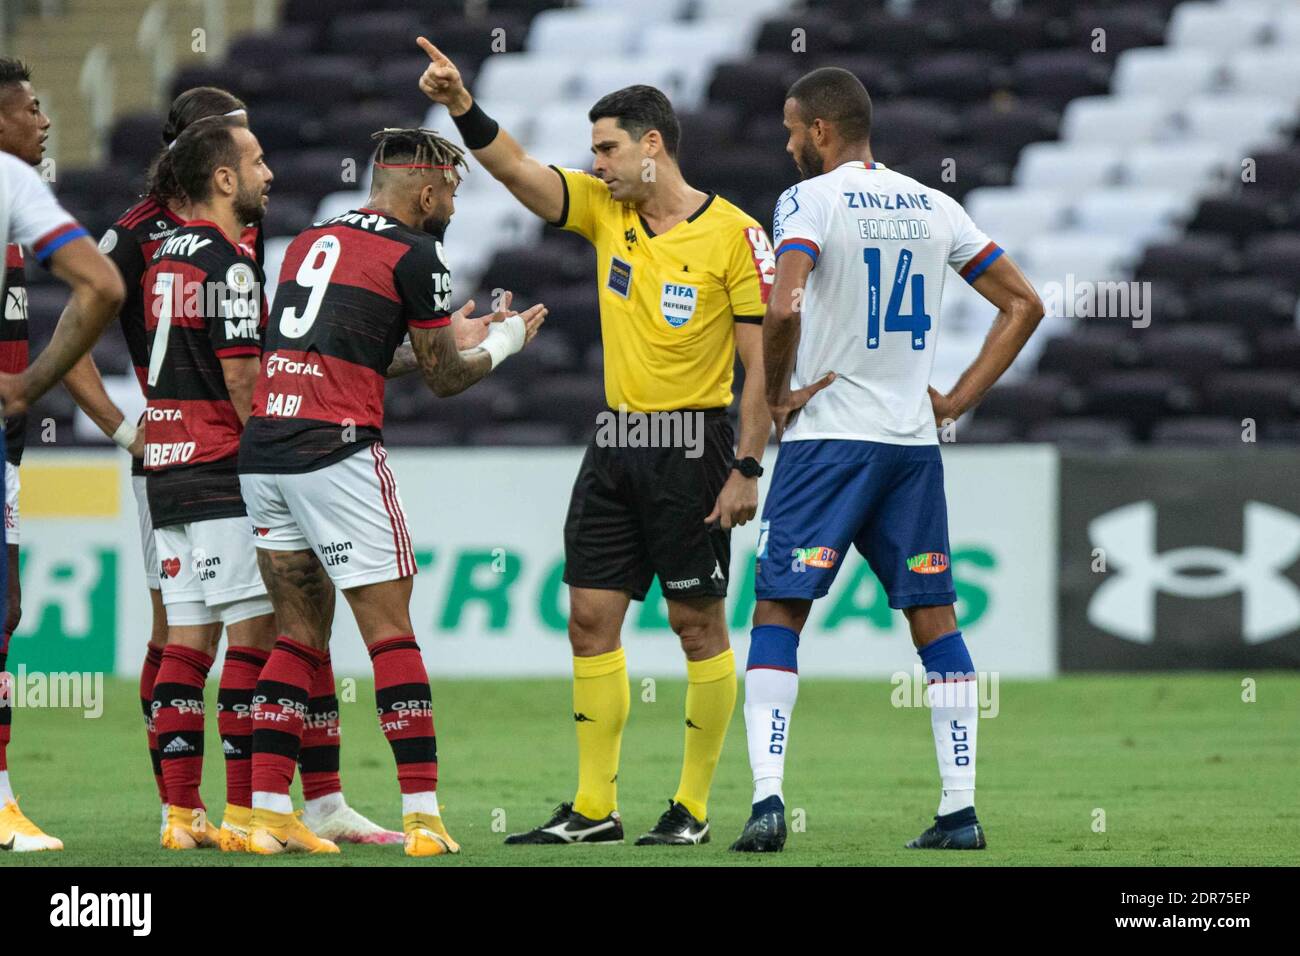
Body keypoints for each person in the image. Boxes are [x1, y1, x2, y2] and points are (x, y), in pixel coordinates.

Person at [417, 35, 776, 846]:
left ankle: (688, 808)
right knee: (588, 620)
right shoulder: (605, 210)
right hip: (614, 442)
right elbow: (518, 173)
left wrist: (749, 466)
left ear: (653, 145)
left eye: (609, 148)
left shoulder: (734, 237)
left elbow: (761, 369)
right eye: (593, 151)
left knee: (697, 626)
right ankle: (593, 808)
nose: (598, 163)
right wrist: (461, 106)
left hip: (696, 446)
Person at [64, 88, 399, 846]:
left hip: (178, 461)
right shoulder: (149, 238)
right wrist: (124, 430)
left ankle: (200, 812)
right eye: (248, 152)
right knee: (263, 636)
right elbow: (239, 375)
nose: (266, 169)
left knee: (197, 637)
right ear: (209, 161)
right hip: (221, 460)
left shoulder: (187, 244)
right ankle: (255, 811)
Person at [730, 68, 1044, 853]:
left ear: (822, 131)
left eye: (792, 128)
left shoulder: (810, 200)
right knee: (933, 618)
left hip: (829, 438)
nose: (787, 141)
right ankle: (960, 811)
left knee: (779, 609)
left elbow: (782, 302)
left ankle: (768, 802)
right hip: (910, 445)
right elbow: (1024, 304)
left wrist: (777, 391)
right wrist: (958, 398)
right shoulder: (935, 205)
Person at [238, 127, 546, 856]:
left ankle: (266, 812)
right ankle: (422, 817)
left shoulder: (311, 238)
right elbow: (443, 379)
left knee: (299, 635)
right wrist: (501, 345)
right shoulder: (418, 252)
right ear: (428, 189)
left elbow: (355, 353)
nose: (453, 209)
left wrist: (453, 335)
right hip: (336, 453)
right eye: (455, 193)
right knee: (391, 633)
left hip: (266, 450)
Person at [0, 88, 126, 850]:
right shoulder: (12, 187)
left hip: (8, 449)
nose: (47, 120)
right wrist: (25, 388)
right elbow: (102, 288)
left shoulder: (22, 210)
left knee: (6, 617)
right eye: (31, 106)